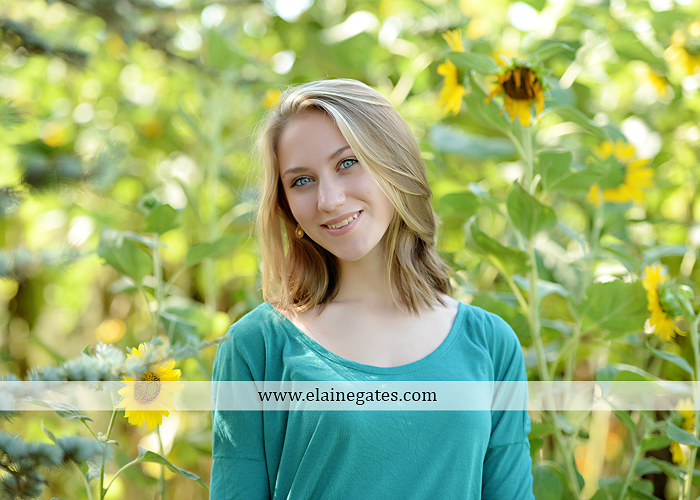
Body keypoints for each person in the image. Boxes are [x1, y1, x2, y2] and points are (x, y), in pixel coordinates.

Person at [210, 78, 534, 499]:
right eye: (301, 181)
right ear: (285, 206)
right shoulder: (257, 348)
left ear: (394, 163)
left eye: (347, 163)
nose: (329, 199)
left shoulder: (490, 345)